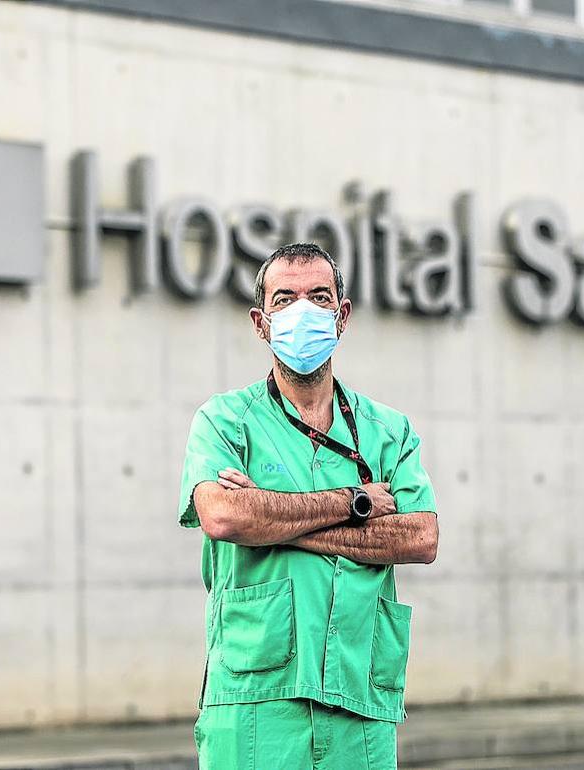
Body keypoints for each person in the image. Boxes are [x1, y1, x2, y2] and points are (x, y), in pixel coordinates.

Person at [177, 242, 440, 769]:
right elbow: (224, 516)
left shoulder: (389, 431)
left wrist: (272, 519)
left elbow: (420, 538)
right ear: (260, 322)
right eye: (284, 299)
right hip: (254, 706)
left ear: (342, 316)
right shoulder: (226, 421)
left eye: (319, 297)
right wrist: (356, 501)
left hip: (358, 702)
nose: (302, 311)